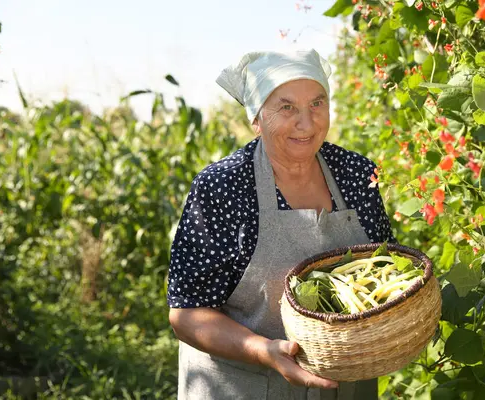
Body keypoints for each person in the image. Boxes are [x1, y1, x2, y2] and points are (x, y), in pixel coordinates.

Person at [167, 49, 395, 400]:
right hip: (245, 385)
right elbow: (187, 313)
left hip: (347, 386)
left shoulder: (356, 174)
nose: (306, 123)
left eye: (317, 104)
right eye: (287, 107)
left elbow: (387, 271)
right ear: (256, 119)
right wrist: (264, 350)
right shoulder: (224, 186)